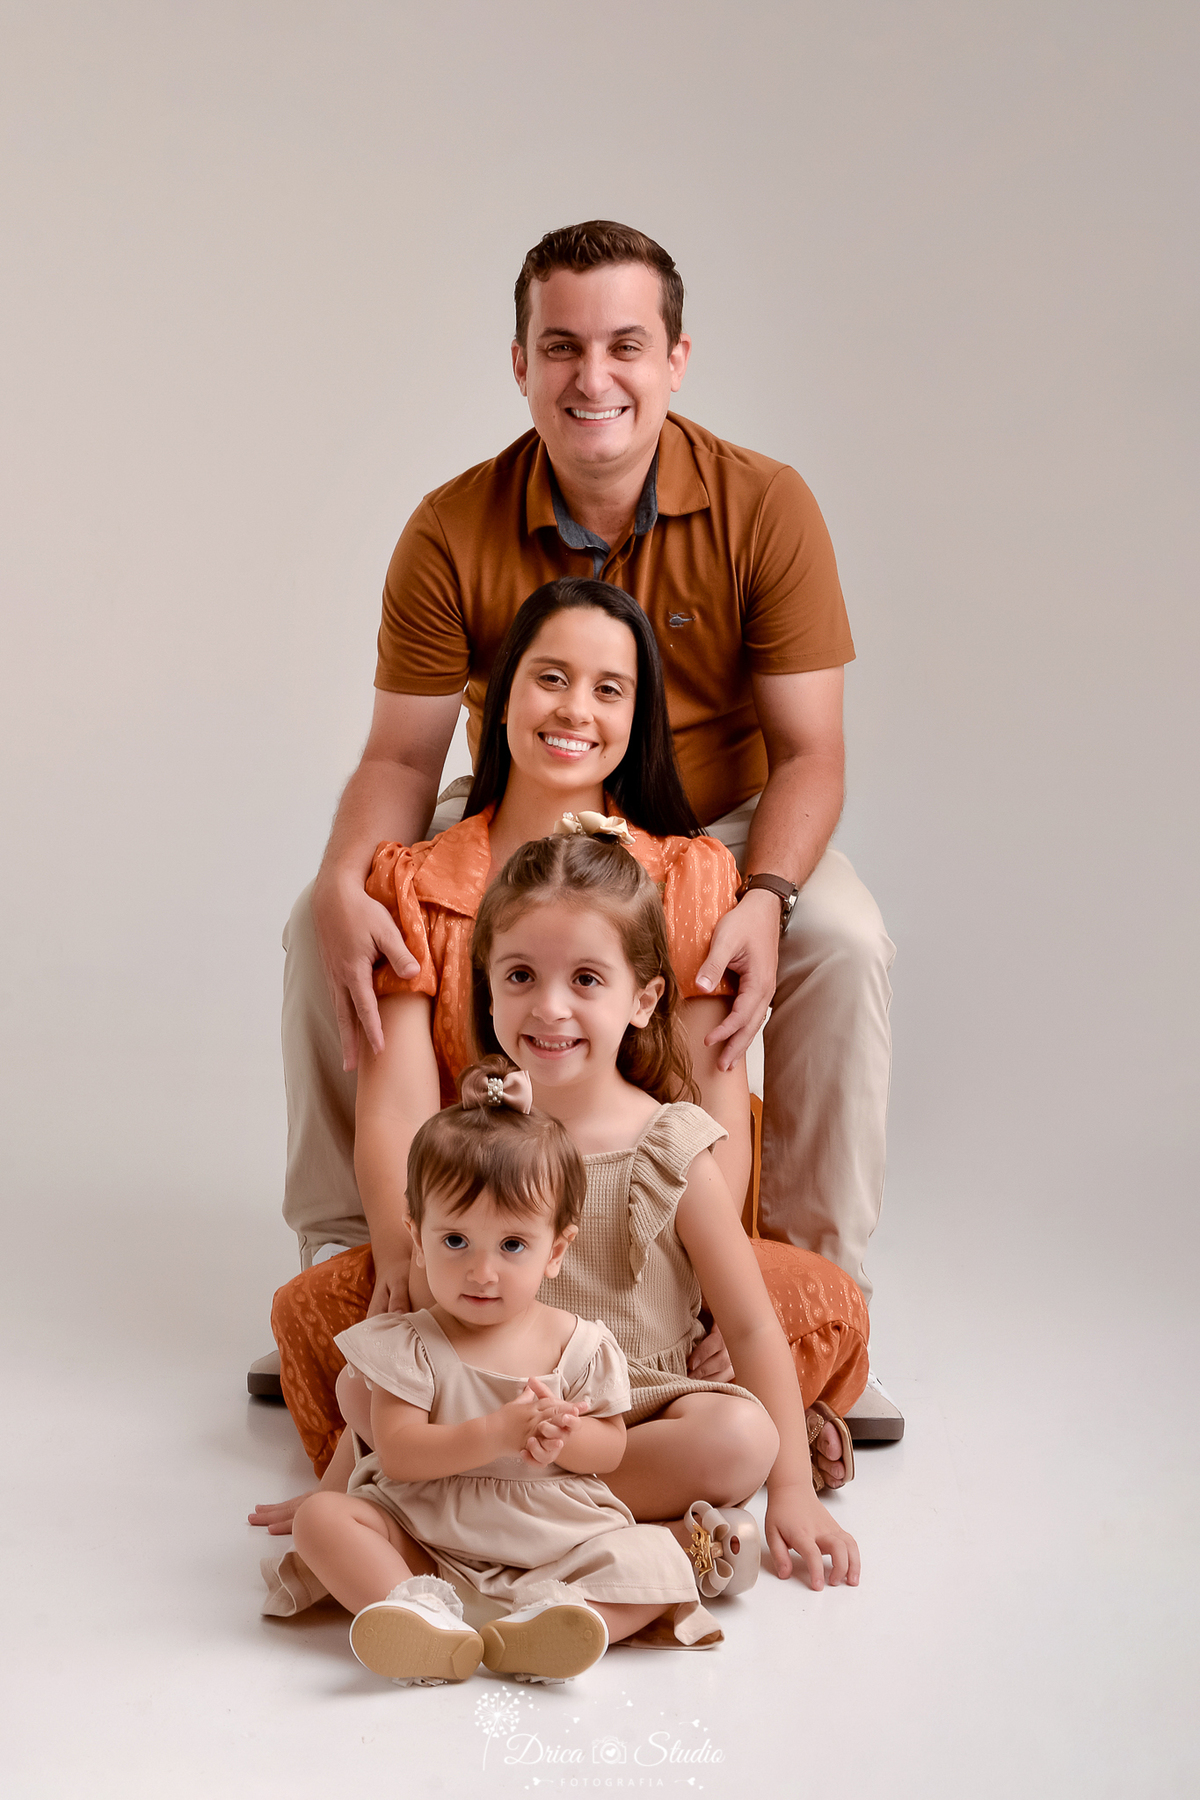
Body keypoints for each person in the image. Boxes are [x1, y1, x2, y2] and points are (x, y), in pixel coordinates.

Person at [275, 221, 898, 1393]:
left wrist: (764, 893)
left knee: (843, 939)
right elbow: (402, 762)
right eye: (560, 347)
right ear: (520, 362)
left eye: (624, 345)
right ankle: (369, 1256)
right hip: (517, 798)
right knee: (336, 932)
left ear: (676, 357)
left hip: (723, 821)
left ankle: (791, 1279)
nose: (592, 377)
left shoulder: (767, 505)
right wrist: (337, 883)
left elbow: (814, 751)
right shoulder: (451, 524)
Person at [255, 582, 866, 1496]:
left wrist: (698, 1275)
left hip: (639, 1254)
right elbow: (397, 1107)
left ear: (638, 717)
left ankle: (501, 1478)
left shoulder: (688, 872)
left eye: (609, 689)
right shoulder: (421, 878)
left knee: (824, 1305)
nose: (575, 708)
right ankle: (557, 1466)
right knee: (316, 1317)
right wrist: (408, 1252)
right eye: (549, 678)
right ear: (500, 700)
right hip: (481, 1250)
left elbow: (711, 1097)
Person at [271, 1063, 721, 1686]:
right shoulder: (410, 1343)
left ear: (555, 1252)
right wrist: (498, 1433)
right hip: (427, 1535)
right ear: (417, 1238)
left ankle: (558, 1622)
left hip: (554, 1536)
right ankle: (419, 1615)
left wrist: (567, 1439)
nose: (482, 1273)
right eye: (456, 1241)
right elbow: (398, 1452)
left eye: (512, 1246)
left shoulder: (581, 1345)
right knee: (323, 1520)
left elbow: (613, 1447)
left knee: (655, 1560)